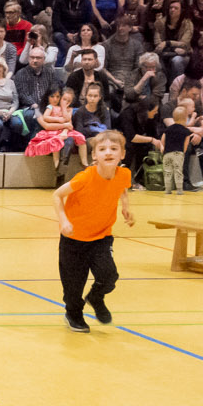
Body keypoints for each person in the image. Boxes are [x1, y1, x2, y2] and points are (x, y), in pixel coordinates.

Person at [53, 129, 135, 334]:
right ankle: (73, 314)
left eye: (114, 149)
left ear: (122, 154)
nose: (108, 152)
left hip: (101, 237)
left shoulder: (124, 174)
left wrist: (126, 207)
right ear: (94, 155)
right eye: (103, 149)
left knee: (109, 275)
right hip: (73, 240)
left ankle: (96, 297)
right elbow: (57, 195)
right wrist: (63, 221)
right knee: (73, 288)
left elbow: (123, 188)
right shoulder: (85, 177)